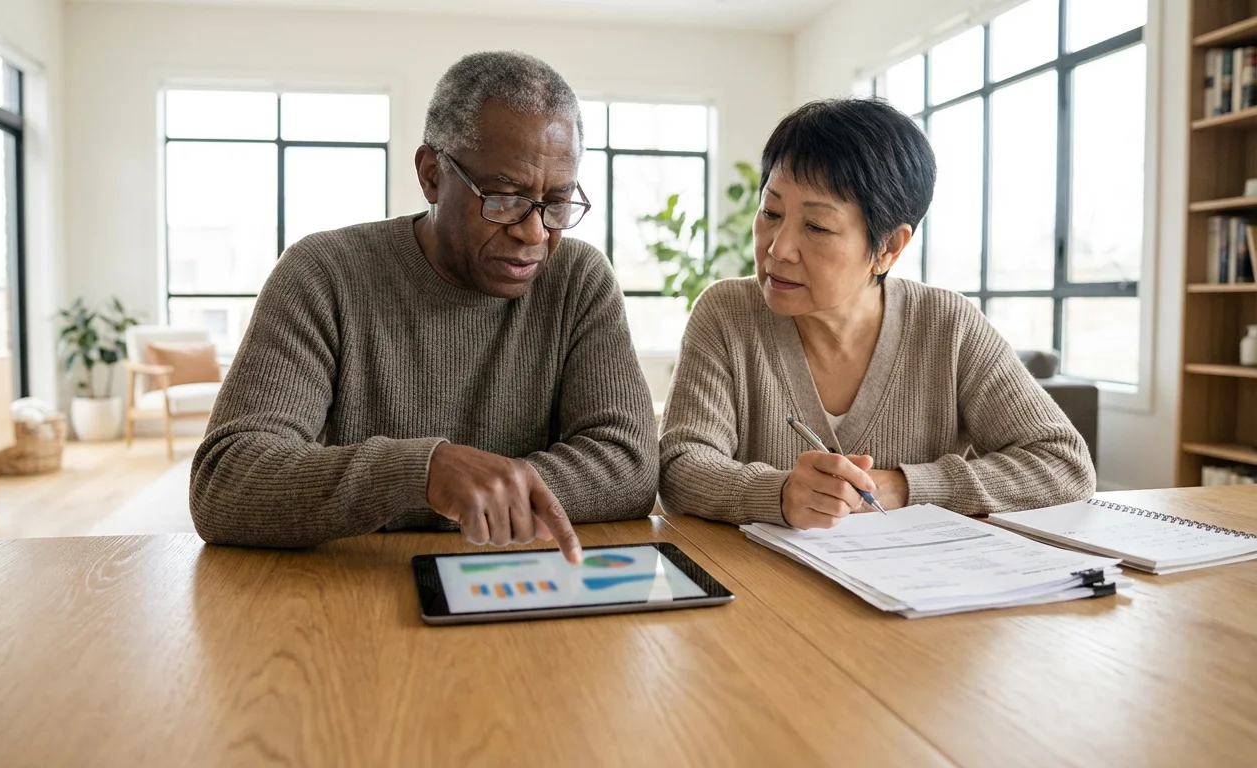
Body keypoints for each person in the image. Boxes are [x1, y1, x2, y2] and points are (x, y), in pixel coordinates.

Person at [190, 51, 659, 560]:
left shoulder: (577, 280)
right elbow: (226, 479)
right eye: (503, 198)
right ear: (432, 174)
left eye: (558, 204)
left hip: (516, 581)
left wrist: (478, 493)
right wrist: (422, 473)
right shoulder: (324, 274)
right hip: (352, 592)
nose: (533, 232)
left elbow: (629, 466)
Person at [658, 98, 1095, 530]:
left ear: (888, 247)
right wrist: (779, 493)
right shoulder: (727, 313)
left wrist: (903, 488)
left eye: (816, 227)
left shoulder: (947, 325)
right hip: (763, 590)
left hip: (914, 590)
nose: (778, 248)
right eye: (771, 213)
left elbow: (1064, 465)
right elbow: (679, 468)